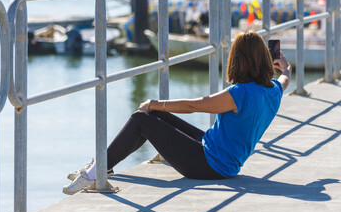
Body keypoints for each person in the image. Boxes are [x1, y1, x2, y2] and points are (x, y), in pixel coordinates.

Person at [62, 31, 292, 195]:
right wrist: (287, 69)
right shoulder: (272, 91)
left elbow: (195, 105)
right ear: (264, 59)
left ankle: (96, 172)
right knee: (156, 116)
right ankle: (103, 166)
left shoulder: (240, 93)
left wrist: (153, 102)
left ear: (238, 60)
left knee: (142, 118)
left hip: (209, 166)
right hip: (221, 157)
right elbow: (284, 80)